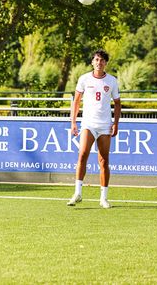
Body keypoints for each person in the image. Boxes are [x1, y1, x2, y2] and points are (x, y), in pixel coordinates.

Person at [67, 49, 121, 209]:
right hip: (88, 124)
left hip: (105, 125)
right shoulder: (84, 79)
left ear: (106, 63)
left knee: (104, 161)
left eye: (102, 60)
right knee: (82, 154)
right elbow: (76, 101)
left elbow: (117, 103)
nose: (99, 63)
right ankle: (77, 193)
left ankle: (103, 198)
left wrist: (116, 123)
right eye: (97, 60)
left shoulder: (111, 81)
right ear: (92, 62)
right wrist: (73, 123)